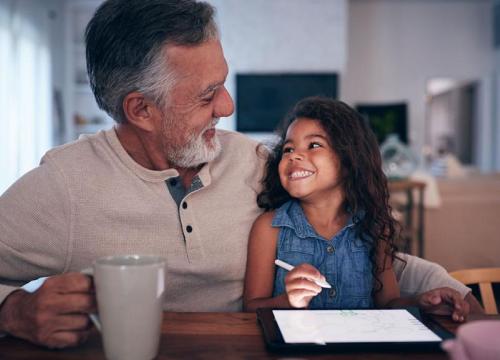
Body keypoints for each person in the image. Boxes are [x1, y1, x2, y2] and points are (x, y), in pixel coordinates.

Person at [0, 0, 481, 350]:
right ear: (140, 109)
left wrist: (455, 292)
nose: (227, 106)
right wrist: (14, 311)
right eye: (207, 94)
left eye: (224, 82)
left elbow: (361, 251)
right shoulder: (63, 187)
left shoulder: (260, 165)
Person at [243, 97, 471, 321]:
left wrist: (421, 303)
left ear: (349, 159)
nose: (295, 156)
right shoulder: (269, 228)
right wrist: (288, 302)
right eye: (288, 149)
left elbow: (388, 305)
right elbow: (251, 308)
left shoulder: (374, 227)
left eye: (314, 145)